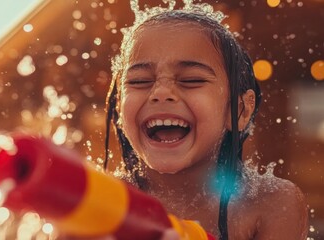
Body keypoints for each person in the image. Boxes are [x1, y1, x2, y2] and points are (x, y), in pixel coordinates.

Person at [102, 5, 309, 240]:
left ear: (239, 110)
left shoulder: (269, 204)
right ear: (119, 107)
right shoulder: (103, 200)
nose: (161, 92)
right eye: (139, 81)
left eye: (192, 79)